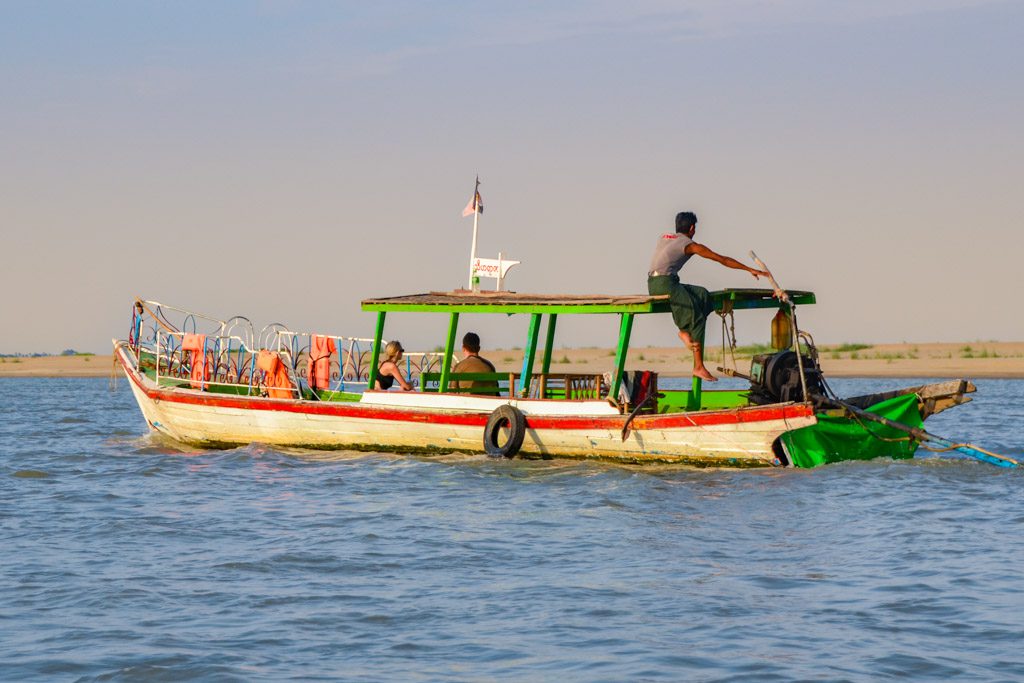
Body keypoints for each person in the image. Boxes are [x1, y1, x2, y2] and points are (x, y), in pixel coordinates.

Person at [648, 211, 769, 382]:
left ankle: (686, 332)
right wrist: (749, 269)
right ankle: (697, 365)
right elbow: (722, 259)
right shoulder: (690, 245)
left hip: (659, 281)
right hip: (664, 283)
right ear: (692, 228)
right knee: (696, 317)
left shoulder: (665, 237)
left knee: (703, 295)